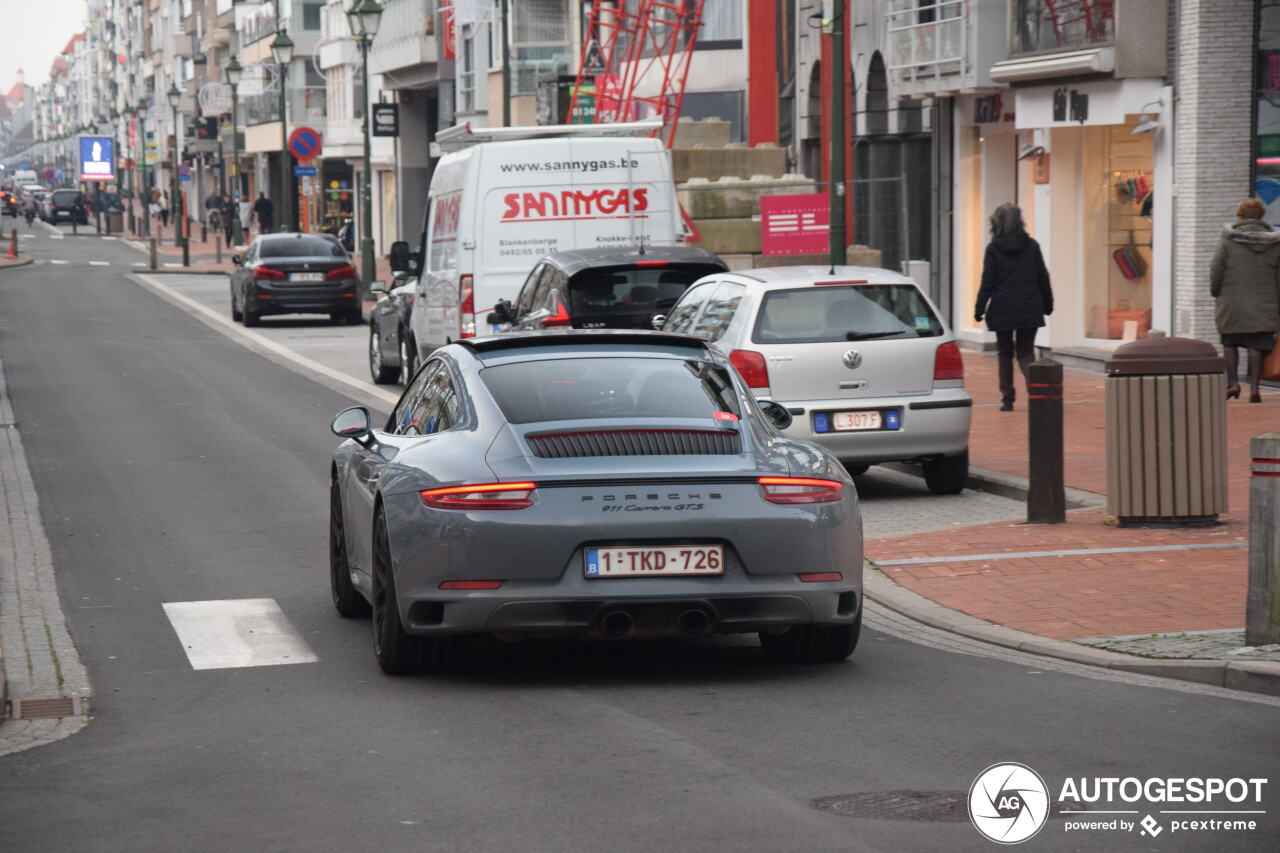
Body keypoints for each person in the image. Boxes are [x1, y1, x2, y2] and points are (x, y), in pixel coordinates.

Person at [974, 203, 1054, 412]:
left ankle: (1007, 399)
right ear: (1020, 221)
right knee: (1026, 353)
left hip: (1002, 306)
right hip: (1030, 305)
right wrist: (1048, 303)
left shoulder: (993, 248)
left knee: (1004, 353)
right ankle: (1037, 393)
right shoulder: (1032, 246)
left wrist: (979, 308)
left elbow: (988, 281)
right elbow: (1042, 277)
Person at [1209, 198, 1280, 403]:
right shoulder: (1274, 242)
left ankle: (1232, 383)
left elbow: (1217, 269)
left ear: (1239, 215)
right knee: (1256, 345)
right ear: (1261, 216)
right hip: (1264, 301)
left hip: (1232, 301)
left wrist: (1216, 291)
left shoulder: (1228, 240)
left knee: (1230, 342)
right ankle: (1255, 388)